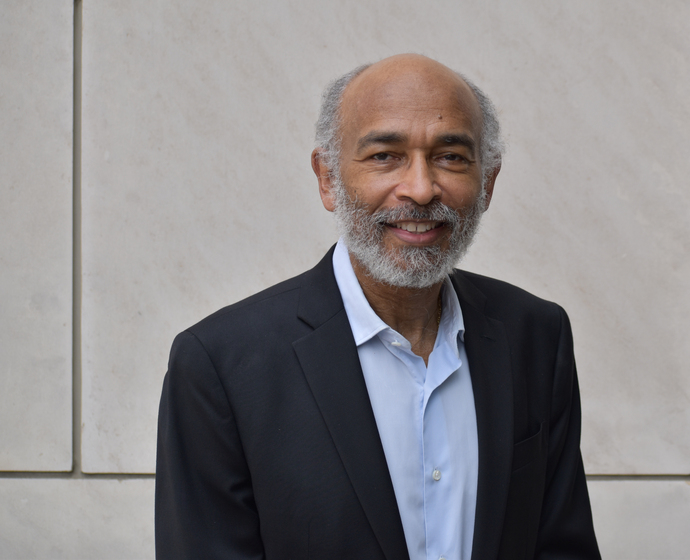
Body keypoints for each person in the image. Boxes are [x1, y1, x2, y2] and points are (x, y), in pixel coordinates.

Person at [155, 54, 601, 560]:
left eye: (451, 156)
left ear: (488, 184)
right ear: (328, 178)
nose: (419, 188)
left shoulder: (536, 336)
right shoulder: (222, 365)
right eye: (385, 156)